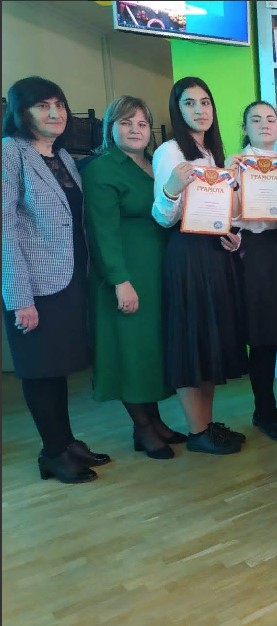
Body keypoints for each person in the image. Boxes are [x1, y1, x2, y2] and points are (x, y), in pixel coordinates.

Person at [2, 76, 110, 482]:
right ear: (22, 112)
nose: (54, 113)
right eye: (43, 105)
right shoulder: (10, 152)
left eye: (59, 105)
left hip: (68, 280)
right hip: (33, 285)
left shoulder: (62, 156)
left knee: (57, 366)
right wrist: (20, 298)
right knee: (39, 369)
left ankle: (66, 442)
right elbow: (4, 228)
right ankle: (52, 453)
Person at [82, 95, 185, 460]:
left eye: (142, 123)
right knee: (128, 350)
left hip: (156, 272)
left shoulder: (154, 164)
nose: (135, 130)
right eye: (126, 123)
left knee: (148, 350)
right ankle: (142, 427)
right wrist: (120, 281)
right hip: (125, 274)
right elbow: (102, 231)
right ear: (110, 128)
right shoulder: (102, 168)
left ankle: (154, 421)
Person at [151, 76, 248, 455]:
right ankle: (196, 431)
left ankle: (206, 425)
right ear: (177, 110)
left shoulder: (213, 153)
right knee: (191, 341)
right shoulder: (170, 152)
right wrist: (171, 188)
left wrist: (235, 235)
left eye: (205, 102)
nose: (200, 110)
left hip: (216, 254)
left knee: (209, 342)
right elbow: (163, 217)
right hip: (187, 255)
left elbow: (229, 213)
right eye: (189, 103)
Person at [225, 100, 277, 444]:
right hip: (251, 251)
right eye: (256, 119)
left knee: (275, 331)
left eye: (271, 119)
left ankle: (269, 407)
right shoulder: (236, 164)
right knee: (261, 335)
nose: (265, 124)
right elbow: (228, 214)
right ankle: (264, 411)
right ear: (245, 128)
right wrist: (233, 181)